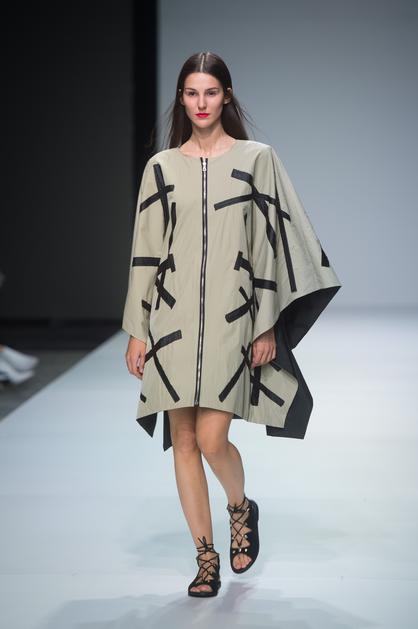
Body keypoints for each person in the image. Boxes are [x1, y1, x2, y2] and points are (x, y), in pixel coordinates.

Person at [122, 51, 342, 597]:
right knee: (183, 439)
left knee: (212, 437)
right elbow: (145, 251)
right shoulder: (161, 167)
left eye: (211, 92)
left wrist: (266, 325)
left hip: (232, 317)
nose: (201, 103)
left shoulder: (256, 159)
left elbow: (270, 246)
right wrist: (137, 329)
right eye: (191, 93)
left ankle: (240, 508)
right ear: (181, 98)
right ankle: (205, 558)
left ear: (226, 97)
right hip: (171, 319)